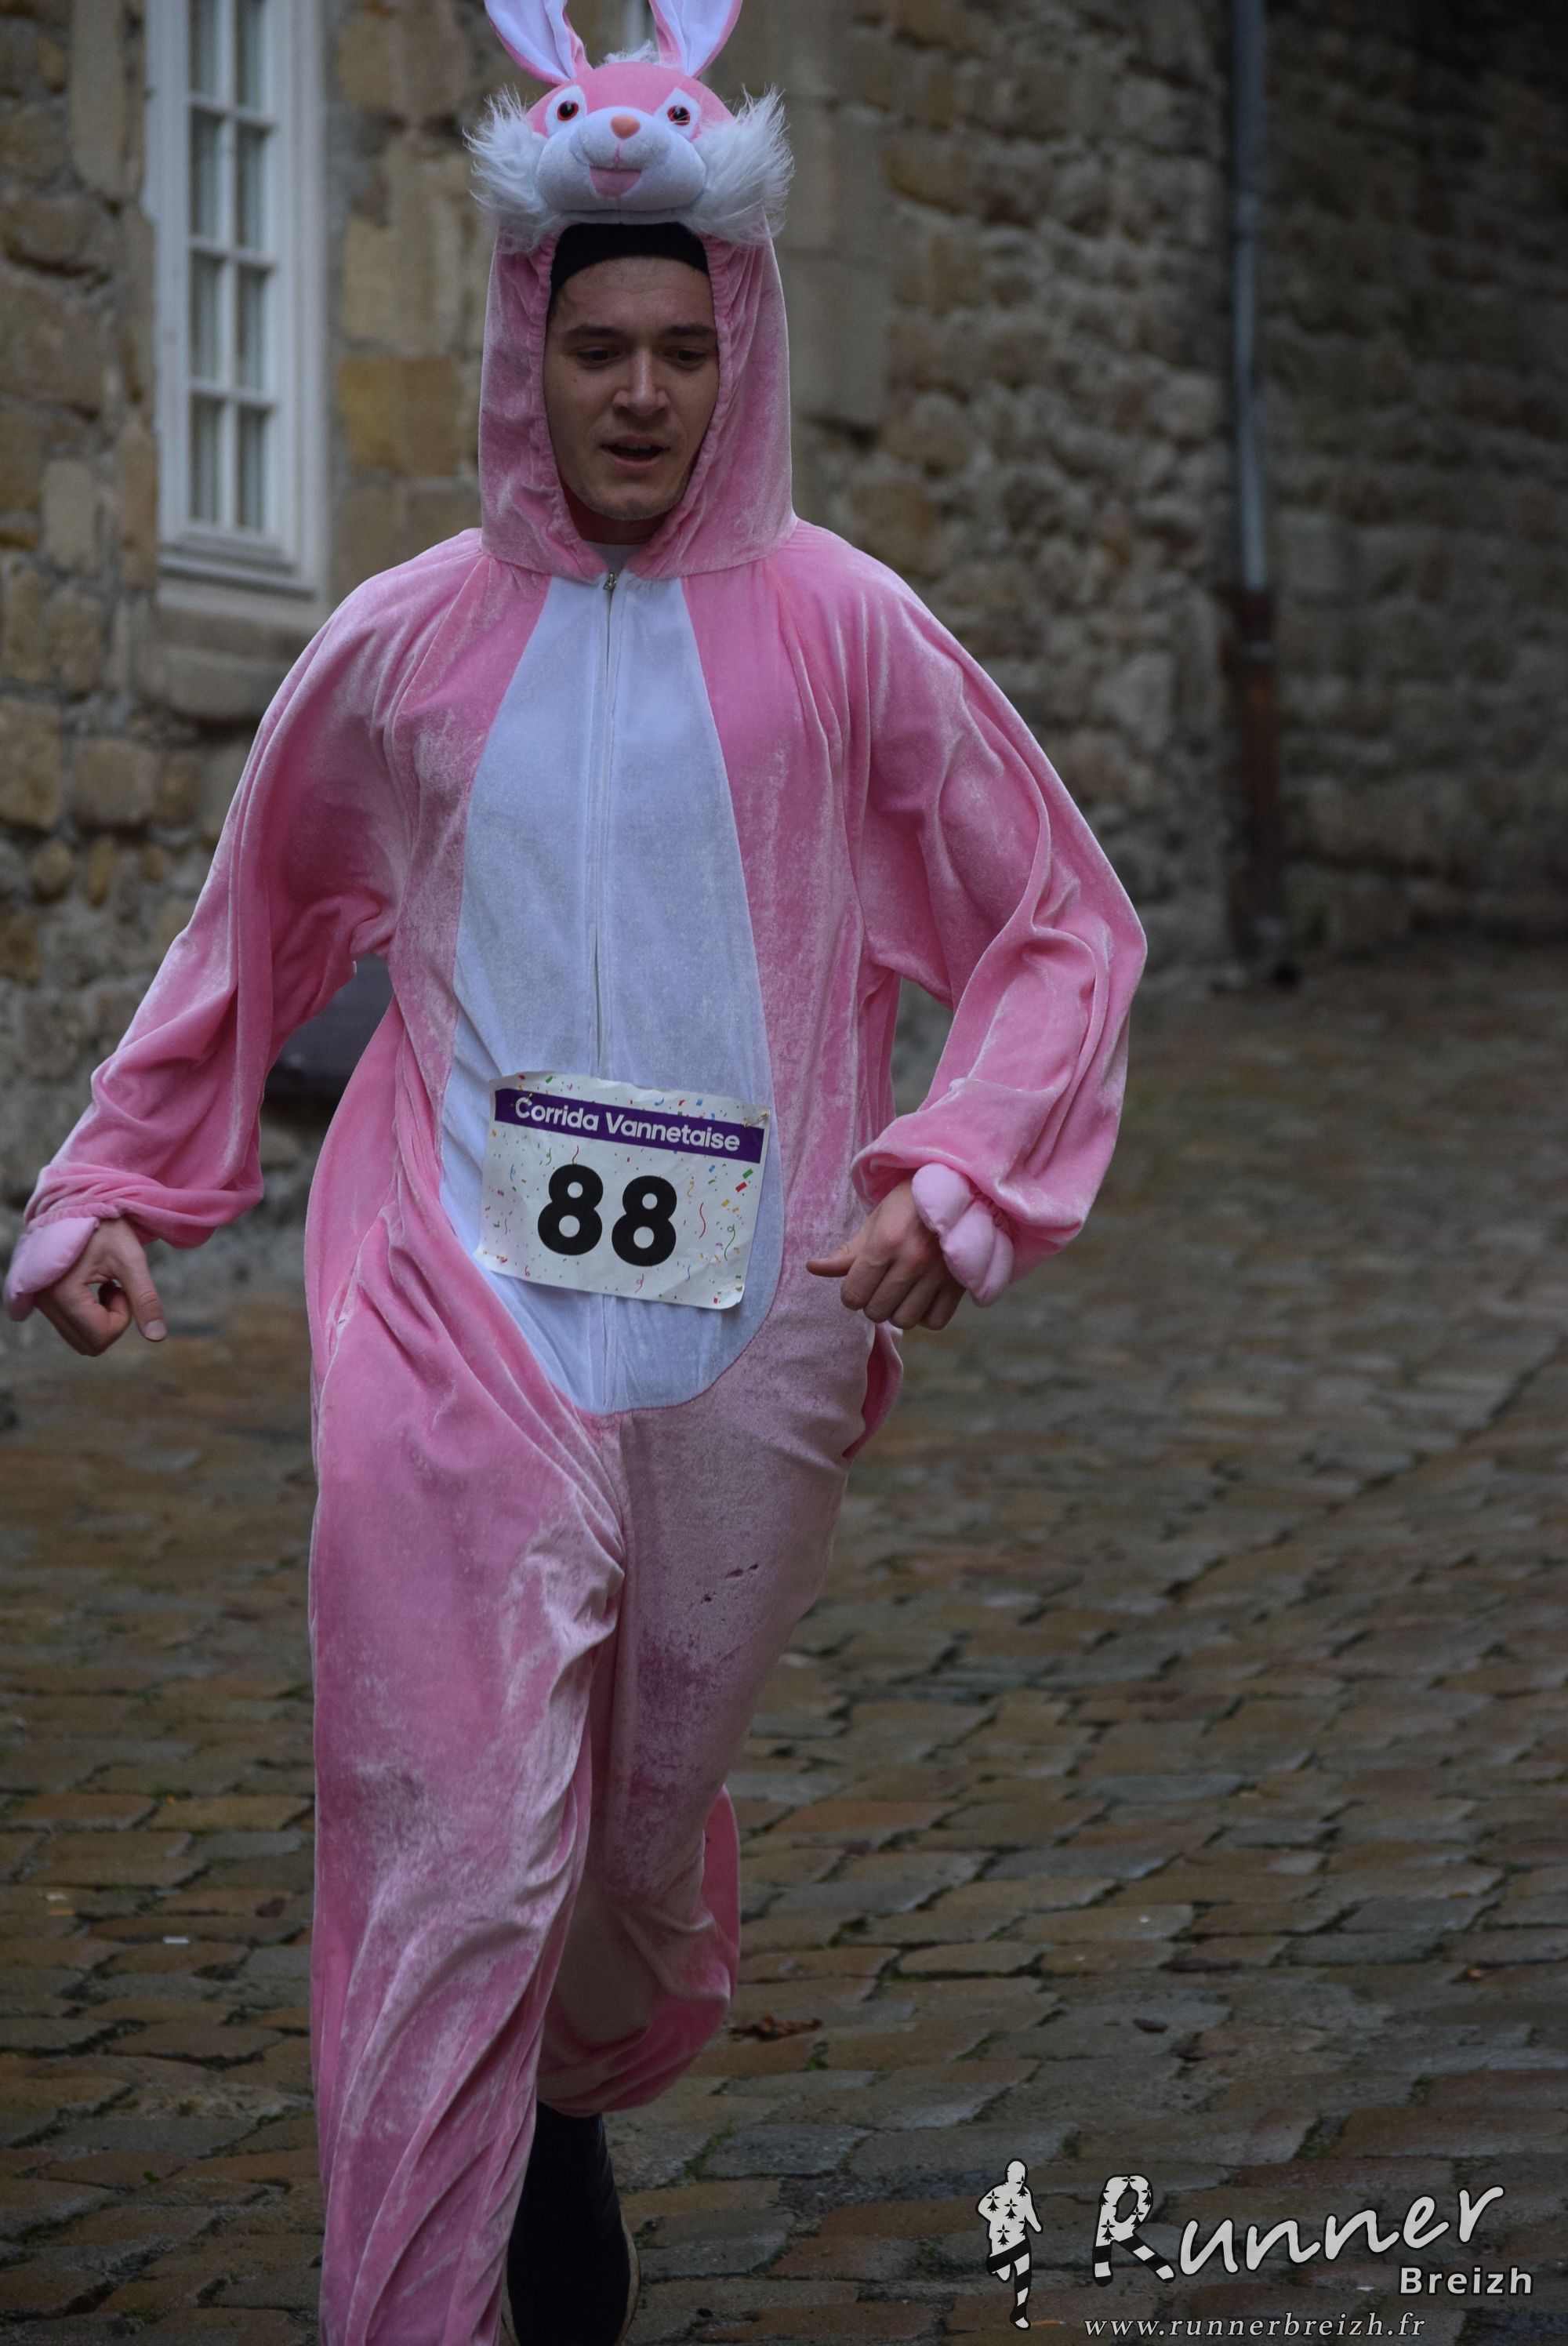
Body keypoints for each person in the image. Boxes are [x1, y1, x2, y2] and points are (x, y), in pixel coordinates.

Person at [2, 2, 1145, 2340]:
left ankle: (555, 2067)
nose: (636, 393)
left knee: (611, 1867)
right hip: (453, 1318)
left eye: (678, 352)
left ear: (740, 353)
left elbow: (1057, 925)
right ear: (525, 347)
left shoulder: (849, 638)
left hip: (745, 1341)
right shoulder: (400, 648)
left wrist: (955, 1168)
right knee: (448, 1844)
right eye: (595, 346)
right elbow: (248, 925)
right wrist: (111, 1183)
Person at [979, 2159, 1044, 2329]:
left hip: (1020, 2238)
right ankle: (995, 2263)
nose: (1019, 2179)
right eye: (1016, 2175)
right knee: (1002, 2270)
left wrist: (1036, 2225)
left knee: (1024, 2275)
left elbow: (1029, 2210)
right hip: (1001, 2238)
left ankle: (1019, 2313)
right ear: (1008, 2175)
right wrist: (997, 2217)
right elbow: (982, 2207)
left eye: (1022, 2175)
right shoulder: (998, 2191)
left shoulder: (1025, 2192)